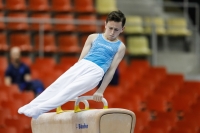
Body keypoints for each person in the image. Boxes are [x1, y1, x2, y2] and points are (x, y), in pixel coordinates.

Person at [18, 10, 126, 119]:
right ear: (105, 24)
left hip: (96, 72)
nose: (112, 32)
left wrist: (100, 91)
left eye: (116, 30)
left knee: (68, 91)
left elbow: (111, 70)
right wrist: (76, 70)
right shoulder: (93, 37)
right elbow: (81, 59)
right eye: (110, 28)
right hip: (82, 65)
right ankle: (32, 105)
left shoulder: (120, 47)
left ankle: (39, 110)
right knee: (57, 85)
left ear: (122, 29)